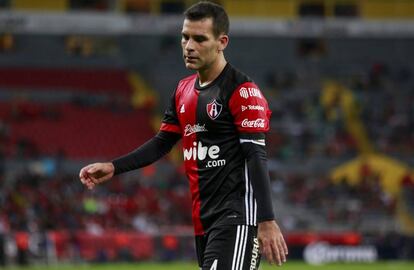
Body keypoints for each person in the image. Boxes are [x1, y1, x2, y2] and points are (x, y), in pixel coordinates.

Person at [79, 1, 288, 269]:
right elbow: (162, 142)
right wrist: (113, 166)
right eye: (185, 37)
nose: (189, 46)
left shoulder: (241, 91)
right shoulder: (183, 90)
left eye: (200, 39)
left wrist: (267, 220)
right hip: (204, 222)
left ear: (222, 42)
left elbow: (256, 155)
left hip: (238, 219)